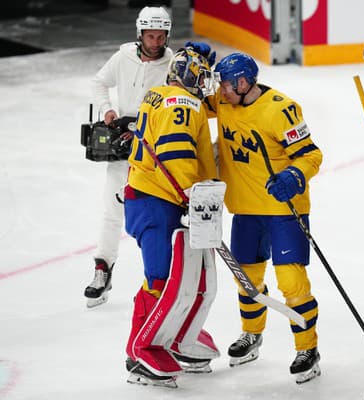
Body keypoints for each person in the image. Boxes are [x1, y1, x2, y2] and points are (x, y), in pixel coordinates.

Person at [206, 52, 323, 384]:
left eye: (226, 85)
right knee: (247, 280)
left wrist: (295, 176)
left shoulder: (282, 109)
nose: (221, 91)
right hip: (245, 209)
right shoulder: (224, 101)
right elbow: (192, 102)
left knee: (293, 284)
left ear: (243, 83)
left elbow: (311, 155)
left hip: (284, 210)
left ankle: (307, 349)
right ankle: (251, 334)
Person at [123, 48, 219, 387]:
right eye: (201, 75)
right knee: (161, 278)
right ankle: (139, 351)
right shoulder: (184, 103)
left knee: (185, 276)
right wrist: (193, 195)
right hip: (158, 199)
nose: (205, 84)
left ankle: (174, 335)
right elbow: (176, 152)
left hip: (154, 196)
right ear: (188, 75)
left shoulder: (162, 94)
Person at [85, 6, 174, 308]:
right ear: (140, 33)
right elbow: (99, 82)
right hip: (121, 151)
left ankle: (161, 279)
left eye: (161, 35)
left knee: (155, 218)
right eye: (150, 35)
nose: (155, 41)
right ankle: (102, 269)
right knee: (112, 210)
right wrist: (107, 111)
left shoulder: (173, 64)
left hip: (155, 155)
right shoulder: (122, 57)